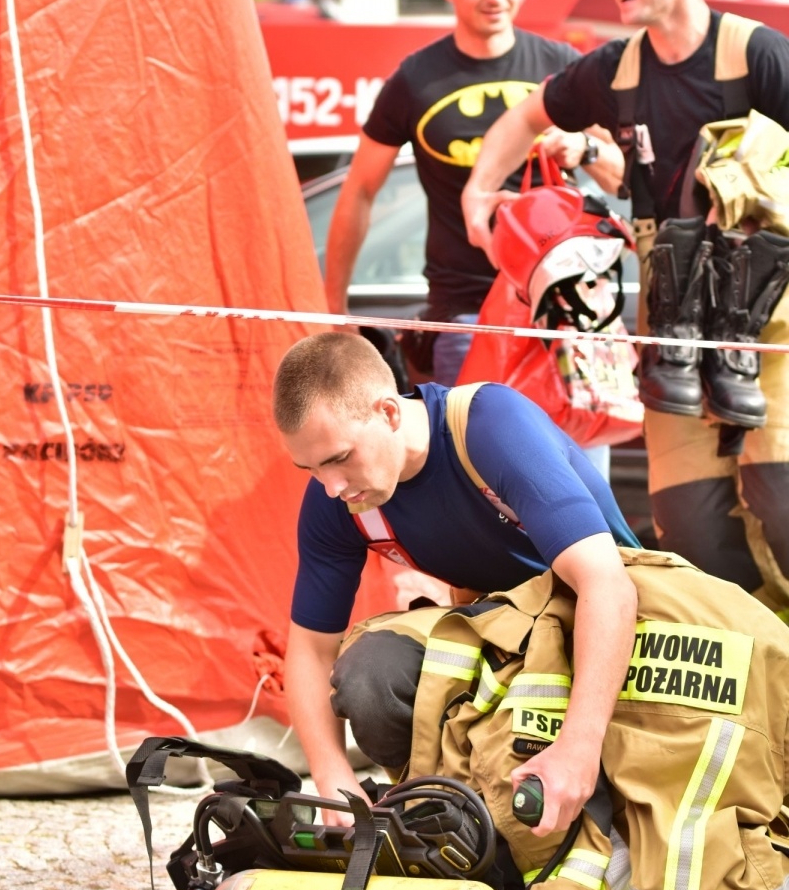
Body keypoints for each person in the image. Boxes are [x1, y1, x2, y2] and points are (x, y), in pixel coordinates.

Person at [462, 0, 789, 614]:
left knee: (784, 509)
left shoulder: (757, 53)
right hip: (667, 326)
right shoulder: (613, 70)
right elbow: (525, 115)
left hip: (765, 322)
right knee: (695, 532)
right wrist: (479, 193)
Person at [273, 332, 639, 837]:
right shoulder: (338, 503)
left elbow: (609, 586)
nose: (331, 486)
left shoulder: (490, 426)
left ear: (389, 413)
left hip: (609, 627)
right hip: (509, 636)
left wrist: (580, 747)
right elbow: (311, 650)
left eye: (338, 458)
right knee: (369, 674)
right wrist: (333, 775)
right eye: (309, 468)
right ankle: (449, 822)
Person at [323, 0, 623, 389]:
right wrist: (333, 308)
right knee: (474, 457)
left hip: (569, 302)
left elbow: (622, 176)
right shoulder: (416, 80)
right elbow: (359, 189)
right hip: (467, 310)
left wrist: (584, 146)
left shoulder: (562, 66)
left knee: (581, 458)